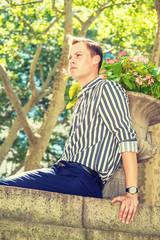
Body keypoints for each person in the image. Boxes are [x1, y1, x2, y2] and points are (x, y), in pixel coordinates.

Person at [0, 35, 139, 224]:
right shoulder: (82, 99)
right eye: (70, 57)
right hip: (60, 172)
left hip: (82, 178)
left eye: (79, 55)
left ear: (95, 59)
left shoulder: (106, 89)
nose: (71, 59)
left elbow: (126, 138)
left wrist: (132, 193)